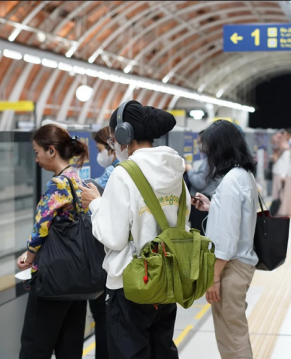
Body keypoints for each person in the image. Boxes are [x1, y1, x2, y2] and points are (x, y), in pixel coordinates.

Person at [78, 100, 185, 359]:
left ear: (125, 135)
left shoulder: (124, 174)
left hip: (131, 284)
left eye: (114, 140)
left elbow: (113, 238)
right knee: (162, 350)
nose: (114, 146)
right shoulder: (175, 170)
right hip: (168, 279)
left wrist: (95, 205)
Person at [18, 124, 89, 359]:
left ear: (51, 151)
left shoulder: (57, 184)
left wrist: (28, 256)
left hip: (53, 278)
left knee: (34, 345)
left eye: (37, 152)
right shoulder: (77, 178)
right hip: (77, 277)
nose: (36, 159)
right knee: (69, 347)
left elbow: (42, 226)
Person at [190, 120, 259, 359]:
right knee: (232, 331)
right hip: (240, 264)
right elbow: (237, 217)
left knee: (232, 335)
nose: (207, 154)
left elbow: (227, 239)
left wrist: (215, 277)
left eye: (209, 148)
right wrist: (212, 207)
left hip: (230, 268)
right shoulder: (243, 175)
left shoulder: (230, 182)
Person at [84, 127, 115, 359]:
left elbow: (89, 189)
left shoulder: (114, 173)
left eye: (100, 149)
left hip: (106, 259)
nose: (99, 155)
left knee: (103, 316)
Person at [185, 130, 220, 235]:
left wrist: (189, 169)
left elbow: (200, 182)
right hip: (202, 203)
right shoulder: (211, 160)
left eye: (200, 142)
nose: (198, 145)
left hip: (203, 203)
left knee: (199, 235)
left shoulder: (211, 162)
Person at [271, 131, 291, 217]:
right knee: (280, 194)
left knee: (282, 194)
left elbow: (286, 164)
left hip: (282, 175)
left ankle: (283, 211)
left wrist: (283, 175)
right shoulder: (280, 150)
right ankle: (280, 210)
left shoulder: (286, 150)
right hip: (279, 173)